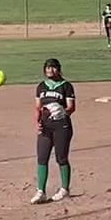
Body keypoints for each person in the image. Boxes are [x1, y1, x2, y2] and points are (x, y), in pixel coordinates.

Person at [30, 57, 77, 204]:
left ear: (59, 69)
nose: (50, 70)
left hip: (62, 126)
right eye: (48, 67)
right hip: (45, 127)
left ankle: (64, 189)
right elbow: (38, 108)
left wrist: (63, 111)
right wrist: (37, 123)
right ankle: (41, 191)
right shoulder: (41, 87)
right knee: (42, 157)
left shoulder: (66, 86)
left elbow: (71, 107)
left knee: (61, 158)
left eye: (53, 67)